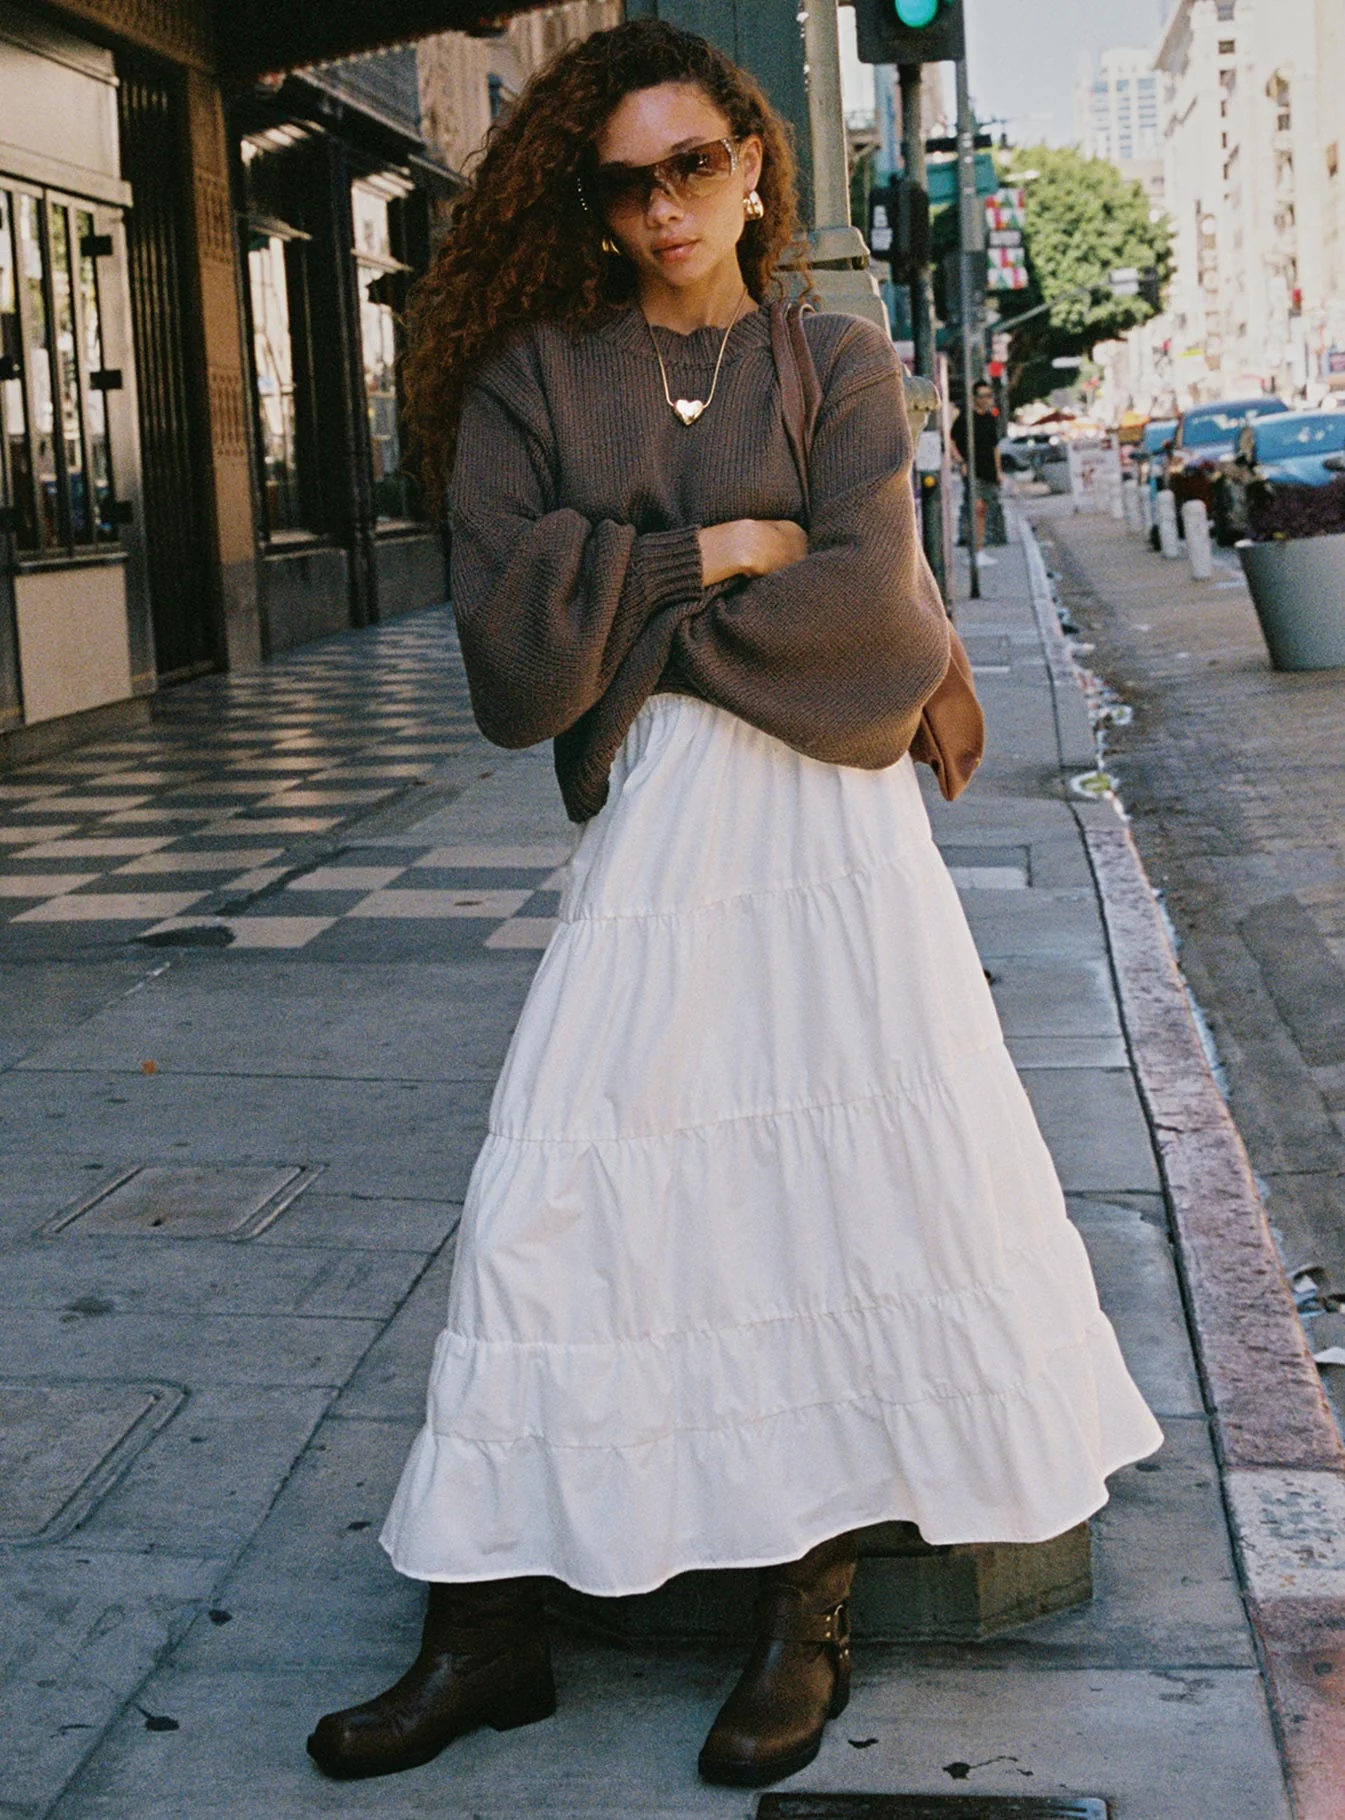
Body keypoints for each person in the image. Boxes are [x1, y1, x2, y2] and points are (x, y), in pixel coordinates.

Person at [306, 19, 1161, 1792]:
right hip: (660, 841)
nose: (669, 204)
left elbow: (879, 621)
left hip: (839, 845)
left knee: (836, 1195)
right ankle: (484, 1623)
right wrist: (712, 554)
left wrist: (638, 618)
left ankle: (808, 1605)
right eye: (630, 181)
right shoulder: (532, 380)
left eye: (696, 163)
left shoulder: (835, 358)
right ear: (597, 205)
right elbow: (508, 649)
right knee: (556, 1192)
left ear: (758, 164)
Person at [952, 378, 1007, 547]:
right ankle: (973, 546)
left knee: (985, 508)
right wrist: (961, 462)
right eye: (982, 396)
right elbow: (951, 440)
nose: (985, 399)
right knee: (976, 507)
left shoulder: (991, 418)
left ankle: (980, 547)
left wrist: (998, 471)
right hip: (972, 469)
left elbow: (995, 447)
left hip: (989, 469)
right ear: (974, 397)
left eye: (988, 396)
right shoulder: (965, 418)